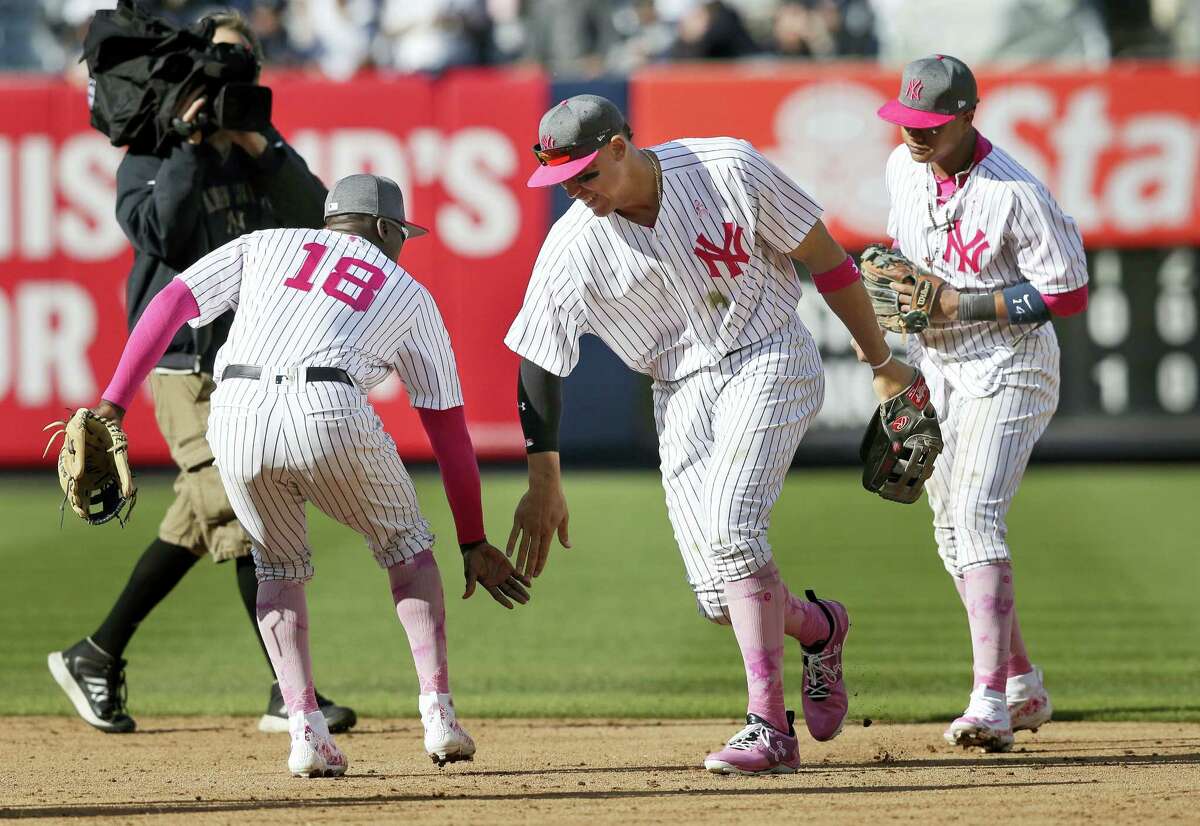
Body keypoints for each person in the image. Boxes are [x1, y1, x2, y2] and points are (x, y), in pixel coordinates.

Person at [505, 94, 922, 775]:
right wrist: (542, 481)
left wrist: (882, 362)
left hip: (769, 352)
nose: (575, 193)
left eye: (583, 174)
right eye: (562, 182)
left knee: (732, 530)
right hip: (680, 391)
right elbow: (538, 360)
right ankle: (822, 627)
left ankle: (769, 729)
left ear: (619, 146)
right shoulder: (574, 244)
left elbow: (825, 256)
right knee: (716, 596)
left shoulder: (726, 167)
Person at [82, 173, 531, 777]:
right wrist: (473, 538)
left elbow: (170, 304)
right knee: (406, 549)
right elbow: (447, 431)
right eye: (401, 234)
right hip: (328, 407)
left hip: (233, 411)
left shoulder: (264, 245)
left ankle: (305, 733)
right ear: (382, 228)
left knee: (277, 568)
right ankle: (438, 716)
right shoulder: (407, 291)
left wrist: (113, 400)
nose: (402, 245)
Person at [47, 11, 356, 736]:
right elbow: (161, 232)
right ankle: (290, 694)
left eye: (239, 64)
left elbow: (320, 222)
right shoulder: (150, 154)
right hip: (186, 367)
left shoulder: (256, 149)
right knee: (249, 518)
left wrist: (263, 147)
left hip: (251, 363)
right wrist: (188, 141)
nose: (227, 79)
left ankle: (96, 654)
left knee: (196, 521)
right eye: (217, 65)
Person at [874, 54, 1088, 751]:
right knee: (947, 532)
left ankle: (988, 701)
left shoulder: (1014, 191)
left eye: (930, 123)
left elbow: (1067, 293)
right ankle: (1022, 682)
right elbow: (903, 270)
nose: (915, 134)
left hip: (1011, 366)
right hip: (940, 365)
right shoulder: (901, 169)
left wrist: (960, 302)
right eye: (907, 119)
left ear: (968, 115)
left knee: (976, 515)